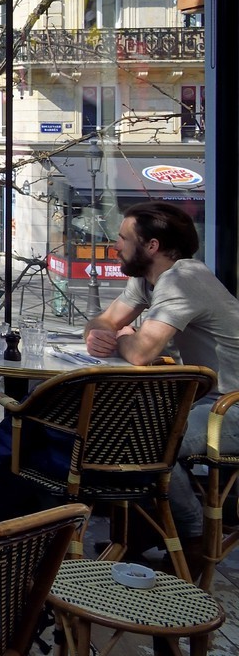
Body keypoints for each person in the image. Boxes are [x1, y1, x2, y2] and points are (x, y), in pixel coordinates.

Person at [83, 200, 239, 546]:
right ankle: (141, 534)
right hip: (205, 402)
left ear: (151, 246)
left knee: (147, 441)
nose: (115, 246)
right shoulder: (147, 279)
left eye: (123, 238)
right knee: (117, 423)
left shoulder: (183, 278)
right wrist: (101, 334)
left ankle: (193, 536)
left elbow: (140, 352)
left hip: (231, 407)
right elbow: (104, 321)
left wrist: (122, 336)